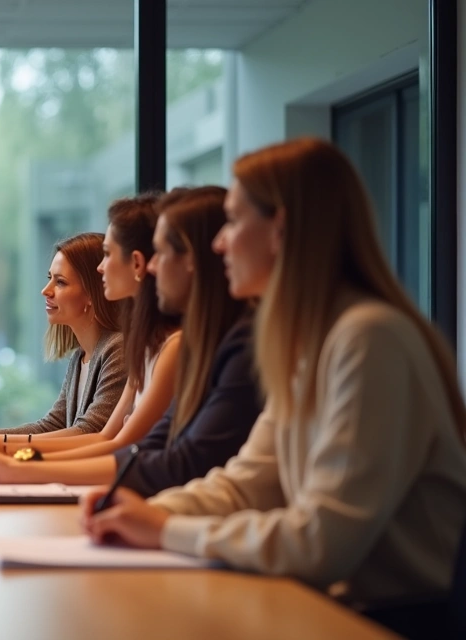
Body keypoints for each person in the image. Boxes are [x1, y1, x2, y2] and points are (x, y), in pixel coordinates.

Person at [82, 138, 466, 611]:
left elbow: (320, 541)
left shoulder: (368, 339)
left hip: (380, 620)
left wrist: (164, 528)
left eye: (235, 220)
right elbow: (248, 483)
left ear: (280, 229)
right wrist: (136, 512)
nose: (219, 242)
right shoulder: (308, 342)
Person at [0, 187, 260, 497]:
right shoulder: (143, 347)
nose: (101, 267)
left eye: (108, 254)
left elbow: (119, 444)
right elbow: (118, 441)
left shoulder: (160, 347)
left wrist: (13, 462)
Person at [0, 232, 126, 448]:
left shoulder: (117, 349)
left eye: (60, 282)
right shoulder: (80, 356)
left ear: (92, 293)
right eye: (49, 279)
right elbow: (52, 425)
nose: (45, 290)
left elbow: (88, 432)